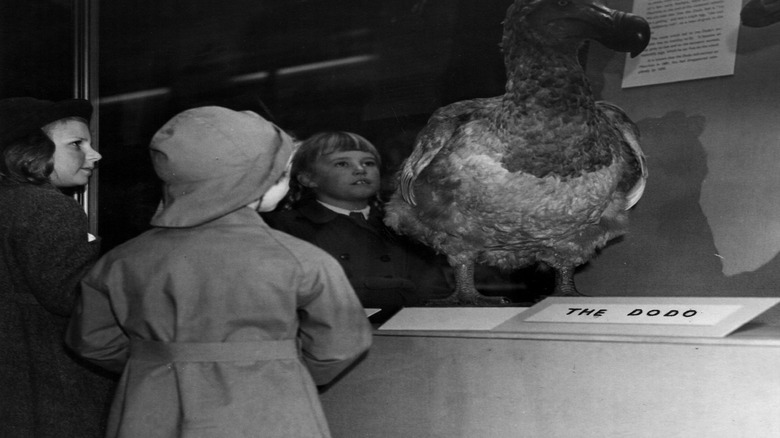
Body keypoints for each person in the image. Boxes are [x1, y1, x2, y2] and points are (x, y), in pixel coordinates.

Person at [65, 107, 372, 438]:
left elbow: (93, 341)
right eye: (282, 175)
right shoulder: (301, 259)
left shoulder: (120, 261)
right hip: (271, 409)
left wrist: (158, 363)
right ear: (255, 182)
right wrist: (281, 367)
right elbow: (342, 344)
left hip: (152, 411)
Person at [0, 97, 115, 438]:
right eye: (77, 144)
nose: (95, 155)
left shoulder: (9, 201)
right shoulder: (49, 207)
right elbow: (73, 298)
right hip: (49, 379)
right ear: (31, 151)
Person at [263, 131, 452, 321]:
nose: (360, 169)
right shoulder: (280, 228)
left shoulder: (407, 228)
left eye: (368, 163)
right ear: (308, 178)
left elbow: (435, 295)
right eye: (342, 163)